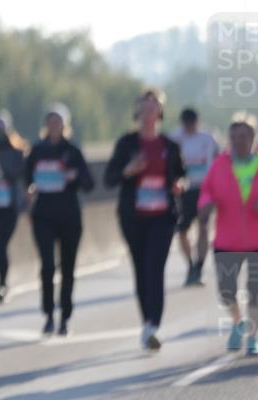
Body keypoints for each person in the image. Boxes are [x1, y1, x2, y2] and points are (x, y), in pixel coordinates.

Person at [105, 89, 185, 351]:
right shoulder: (126, 144)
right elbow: (109, 178)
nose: (149, 112)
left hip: (162, 216)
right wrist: (129, 170)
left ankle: (153, 326)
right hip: (133, 216)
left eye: (154, 107)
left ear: (160, 112)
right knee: (140, 270)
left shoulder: (170, 146)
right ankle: (147, 321)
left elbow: (181, 176)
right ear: (137, 112)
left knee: (155, 268)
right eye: (144, 107)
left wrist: (178, 185)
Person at [197, 112, 258, 357]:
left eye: (243, 136)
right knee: (226, 291)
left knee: (255, 290)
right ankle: (237, 321)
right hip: (227, 239)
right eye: (233, 136)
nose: (238, 141)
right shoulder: (220, 164)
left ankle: (252, 337)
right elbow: (206, 191)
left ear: (252, 136)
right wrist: (206, 204)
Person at [24, 103, 95, 336]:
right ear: (46, 125)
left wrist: (73, 176)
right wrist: (29, 189)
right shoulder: (37, 150)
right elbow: (25, 177)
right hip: (43, 214)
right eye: (50, 122)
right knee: (46, 266)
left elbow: (89, 183)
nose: (54, 126)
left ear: (65, 125)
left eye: (58, 122)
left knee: (67, 268)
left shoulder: (73, 151)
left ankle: (65, 316)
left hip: (69, 216)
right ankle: (48, 314)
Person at [171, 107, 220, 286]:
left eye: (192, 124)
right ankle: (190, 264)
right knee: (182, 230)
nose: (189, 127)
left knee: (203, 226)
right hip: (184, 190)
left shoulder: (208, 139)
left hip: (205, 189)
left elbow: (218, 159)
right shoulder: (174, 139)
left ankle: (199, 265)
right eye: (186, 124)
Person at [0, 109, 28, 303]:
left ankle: (2, 282)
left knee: (2, 243)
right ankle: (1, 280)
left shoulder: (17, 150)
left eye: (1, 128)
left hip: (8, 207)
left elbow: (20, 173)